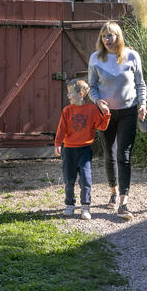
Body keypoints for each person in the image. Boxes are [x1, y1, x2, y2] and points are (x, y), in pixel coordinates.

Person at [88, 21, 147, 220]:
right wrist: (98, 102)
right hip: (106, 114)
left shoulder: (132, 56)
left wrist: (143, 104)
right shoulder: (95, 59)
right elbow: (92, 86)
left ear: (118, 37)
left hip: (128, 111)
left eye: (111, 36)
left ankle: (124, 201)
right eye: (104, 36)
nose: (107, 40)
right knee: (110, 155)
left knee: (124, 155)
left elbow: (140, 83)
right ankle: (113, 191)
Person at [54, 78, 111, 220]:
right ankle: (70, 205)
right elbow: (61, 129)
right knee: (69, 179)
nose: (68, 96)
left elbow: (102, 126)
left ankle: (85, 206)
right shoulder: (67, 110)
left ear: (80, 94)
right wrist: (57, 144)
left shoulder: (91, 109)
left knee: (86, 179)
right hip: (69, 150)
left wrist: (107, 113)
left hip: (85, 150)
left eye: (70, 93)